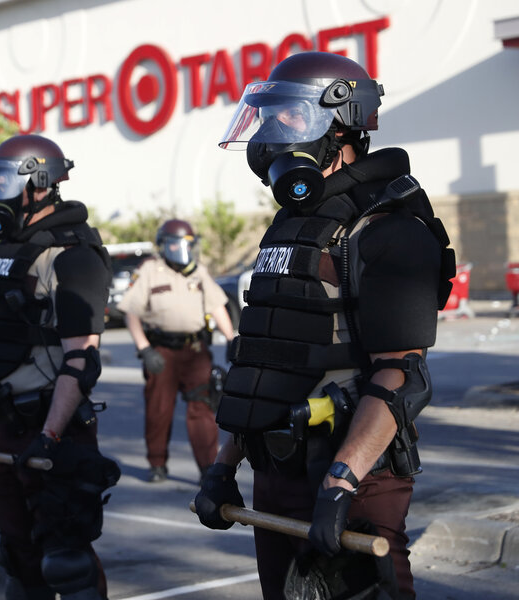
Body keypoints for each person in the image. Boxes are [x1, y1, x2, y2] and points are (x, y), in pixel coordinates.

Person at [194, 51, 455, 600]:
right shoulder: (291, 226)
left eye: (286, 117)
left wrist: (340, 483)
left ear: (340, 127)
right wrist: (225, 464)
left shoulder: (387, 228)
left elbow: (401, 375)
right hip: (276, 473)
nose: (269, 135)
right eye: (266, 118)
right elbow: (263, 355)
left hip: (352, 477)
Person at [0, 133, 120, 600]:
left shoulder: (73, 256)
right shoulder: (3, 253)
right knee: (18, 557)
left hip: (55, 429)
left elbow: (81, 360)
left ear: (40, 183)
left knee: (65, 561)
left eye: (6, 183)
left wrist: (49, 436)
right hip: (6, 426)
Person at [117, 219, 235, 483]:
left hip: (195, 350)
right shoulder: (150, 270)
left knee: (202, 408)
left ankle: (208, 468)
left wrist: (230, 339)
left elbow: (217, 306)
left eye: (188, 243)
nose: (184, 248)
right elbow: (131, 313)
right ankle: (157, 464)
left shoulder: (197, 271)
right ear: (165, 244)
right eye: (179, 243)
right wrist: (144, 349)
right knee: (159, 409)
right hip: (161, 351)